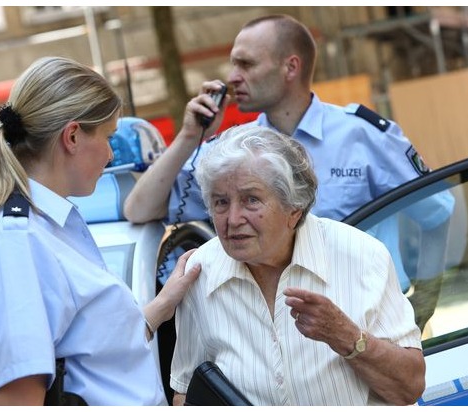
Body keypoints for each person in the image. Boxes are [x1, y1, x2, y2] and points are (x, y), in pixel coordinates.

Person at [123, 14, 454, 330]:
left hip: (368, 320)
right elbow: (139, 209)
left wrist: (423, 304)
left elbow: (438, 211)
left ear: (290, 67)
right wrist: (188, 136)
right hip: (272, 330)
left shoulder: (363, 135)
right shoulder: (232, 150)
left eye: (246, 64)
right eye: (233, 64)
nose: (232, 77)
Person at [0, 56, 200, 406]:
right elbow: (18, 401)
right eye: (108, 136)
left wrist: (162, 305)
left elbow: (94, 353)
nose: (110, 155)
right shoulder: (13, 245)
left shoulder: (47, 228)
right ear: (72, 136)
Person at [169, 124, 425, 406]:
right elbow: (185, 392)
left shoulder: (361, 254)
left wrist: (346, 336)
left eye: (251, 200)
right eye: (221, 202)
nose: (233, 219)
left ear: (294, 208)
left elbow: (410, 387)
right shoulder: (199, 273)